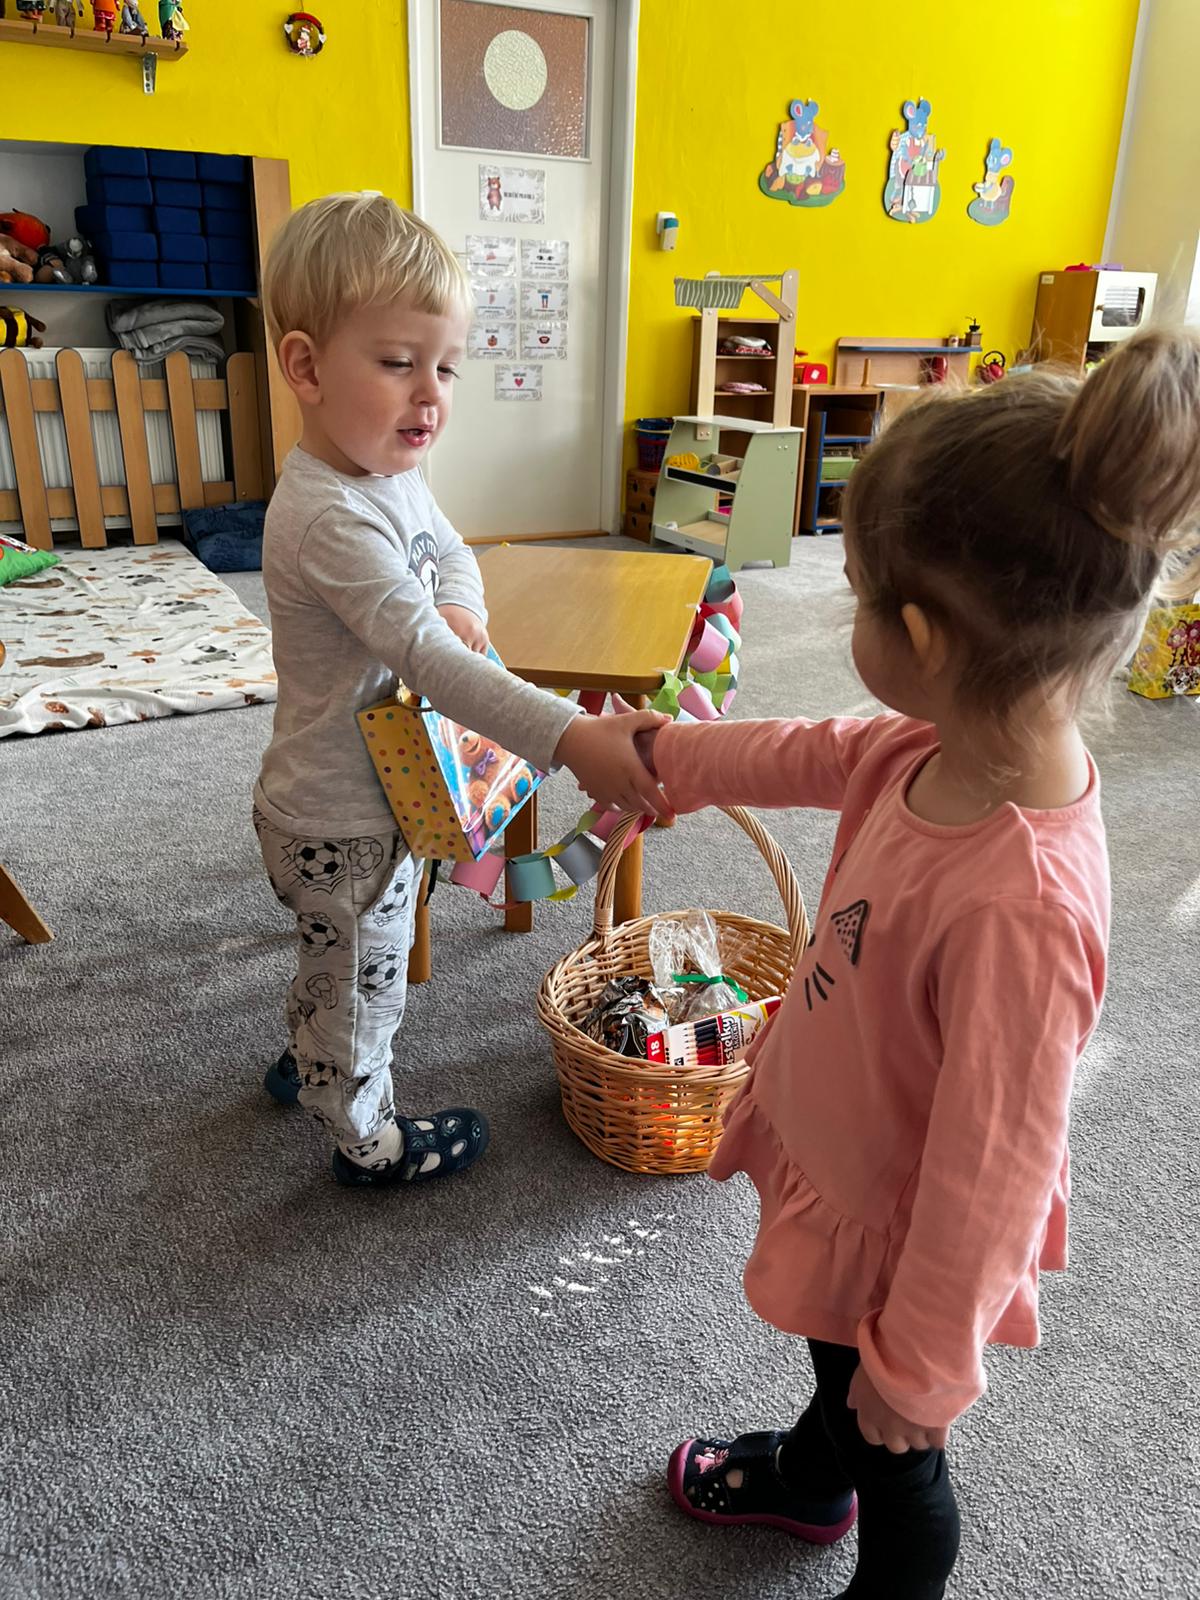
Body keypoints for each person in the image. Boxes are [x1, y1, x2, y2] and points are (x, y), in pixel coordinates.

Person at [631, 329, 1200, 1597]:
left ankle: (864, 1524)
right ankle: (809, 1475)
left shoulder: (1022, 907)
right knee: (833, 1369)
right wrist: (671, 759)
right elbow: (811, 751)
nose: (844, 616)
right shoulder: (935, 742)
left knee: (897, 1451)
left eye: (854, 595)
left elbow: (994, 1175)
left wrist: (925, 1367)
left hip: (902, 1238)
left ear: (926, 637)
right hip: (847, 1143)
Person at [253, 192, 668, 1188]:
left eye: (446, 367)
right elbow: (432, 662)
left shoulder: (389, 477)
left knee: (339, 959)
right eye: (400, 362)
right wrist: (572, 736)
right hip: (340, 818)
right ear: (306, 367)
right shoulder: (330, 517)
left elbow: (452, 551)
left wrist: (460, 603)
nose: (430, 395)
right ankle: (366, 1139)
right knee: (370, 983)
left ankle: (316, 1049)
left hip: (368, 796)